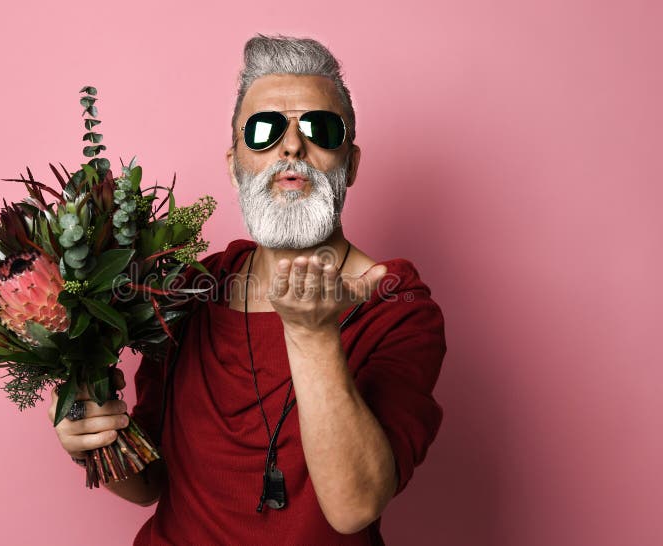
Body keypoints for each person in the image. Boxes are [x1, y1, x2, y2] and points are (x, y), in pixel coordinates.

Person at [49, 34, 447, 545]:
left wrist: (312, 335)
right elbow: (150, 482)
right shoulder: (189, 291)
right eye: (264, 130)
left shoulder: (397, 306)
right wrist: (93, 441)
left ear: (350, 163)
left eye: (320, 128)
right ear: (234, 165)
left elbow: (355, 508)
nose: (292, 146)